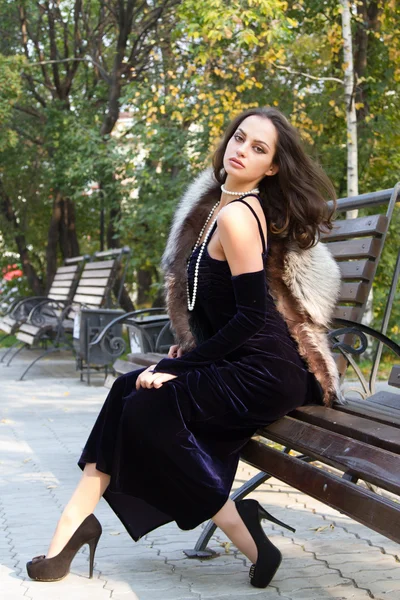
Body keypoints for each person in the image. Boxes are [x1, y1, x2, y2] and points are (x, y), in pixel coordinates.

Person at [26, 107, 341, 589]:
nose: (242, 151)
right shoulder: (219, 206)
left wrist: (188, 367)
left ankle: (250, 539)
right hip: (238, 357)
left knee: (149, 409)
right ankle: (71, 530)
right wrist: (185, 353)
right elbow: (215, 304)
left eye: (259, 149)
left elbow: (253, 317)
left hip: (264, 370)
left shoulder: (238, 216)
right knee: (125, 390)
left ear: (272, 167)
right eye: (240, 138)